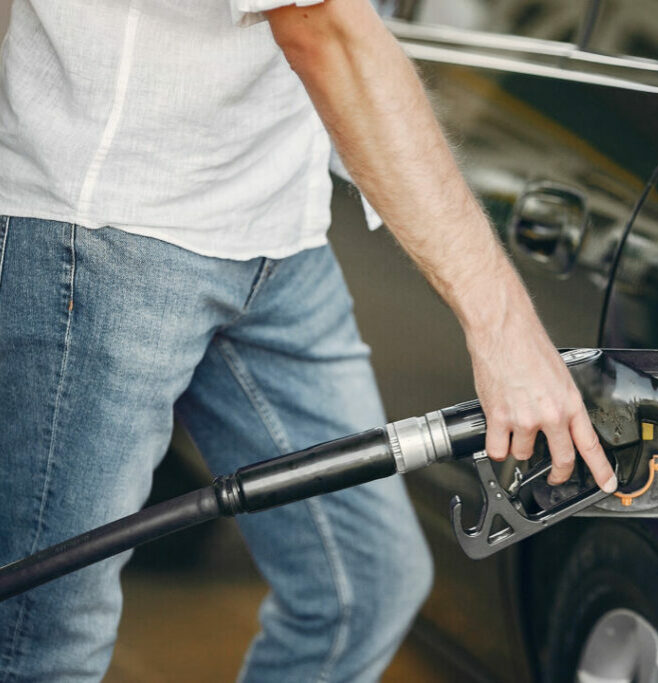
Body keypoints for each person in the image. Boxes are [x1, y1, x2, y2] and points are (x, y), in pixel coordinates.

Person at [0, 1, 616, 681]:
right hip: (109, 226)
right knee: (43, 636)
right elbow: (326, 30)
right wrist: (506, 331)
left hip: (277, 229)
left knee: (363, 584)